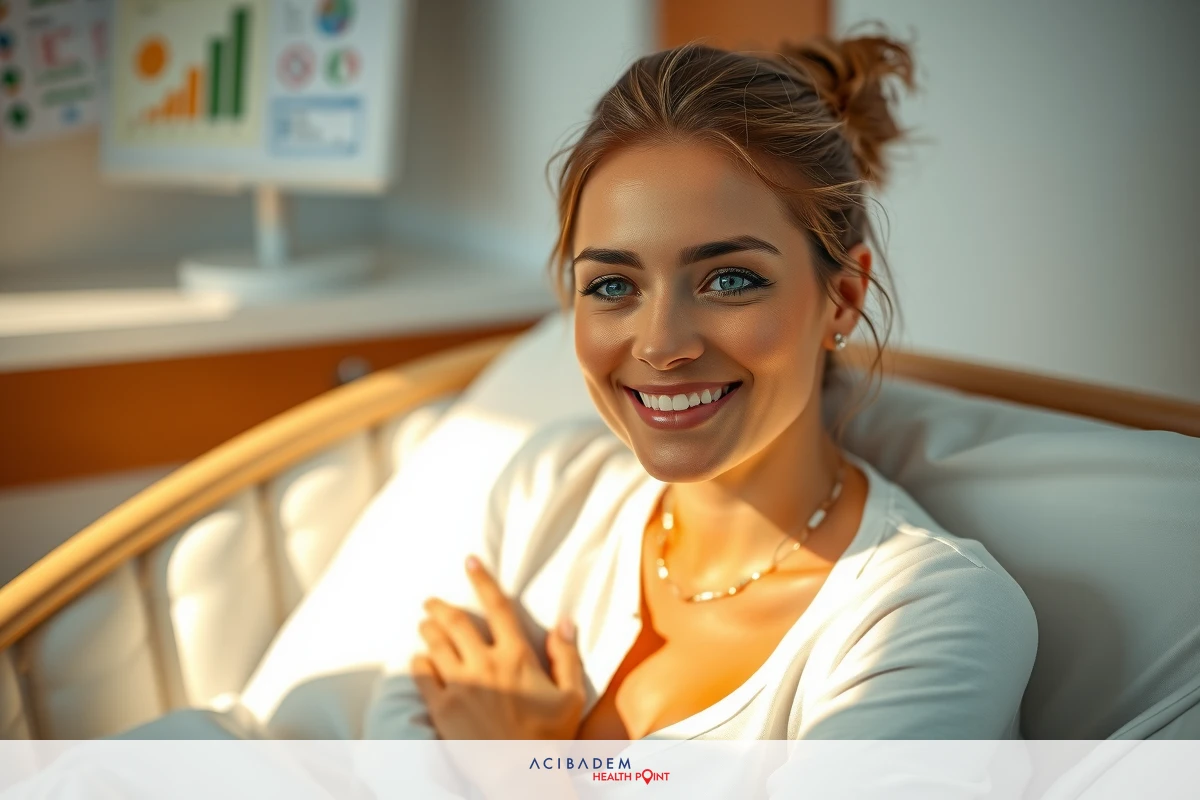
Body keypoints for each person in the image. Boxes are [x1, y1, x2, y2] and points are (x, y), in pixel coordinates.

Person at [364, 31, 1037, 751]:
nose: (659, 344)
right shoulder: (552, 486)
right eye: (613, 285)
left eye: (729, 280)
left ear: (842, 297)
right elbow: (390, 740)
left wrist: (524, 771)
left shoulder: (925, 615)